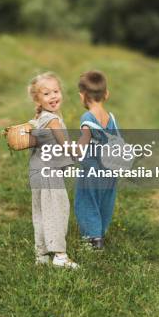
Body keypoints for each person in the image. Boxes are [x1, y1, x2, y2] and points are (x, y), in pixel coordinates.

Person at [28, 72, 78, 268]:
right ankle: (60, 256)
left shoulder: (40, 116)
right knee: (57, 210)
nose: (53, 96)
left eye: (56, 91)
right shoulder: (52, 120)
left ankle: (41, 255)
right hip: (49, 172)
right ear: (37, 99)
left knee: (41, 211)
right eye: (47, 93)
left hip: (37, 171)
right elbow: (66, 144)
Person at [74, 70, 118, 251]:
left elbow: (82, 145)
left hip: (92, 170)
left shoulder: (87, 118)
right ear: (106, 94)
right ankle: (100, 233)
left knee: (87, 202)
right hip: (110, 170)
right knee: (105, 202)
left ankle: (93, 240)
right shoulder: (111, 117)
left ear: (82, 96)